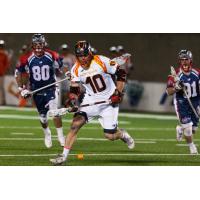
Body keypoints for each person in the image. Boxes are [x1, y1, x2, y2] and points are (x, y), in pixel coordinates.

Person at [50, 40, 135, 165]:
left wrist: (118, 92)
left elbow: (121, 73)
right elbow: (75, 88)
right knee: (75, 124)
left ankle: (122, 135)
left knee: (110, 136)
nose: (83, 58)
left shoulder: (101, 61)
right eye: (80, 56)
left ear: (89, 53)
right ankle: (63, 156)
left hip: (109, 101)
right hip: (91, 100)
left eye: (85, 55)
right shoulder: (76, 69)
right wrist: (72, 100)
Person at [15, 34, 68, 148]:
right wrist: (22, 89)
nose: (38, 47)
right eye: (36, 45)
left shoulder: (52, 54)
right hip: (36, 90)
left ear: (44, 45)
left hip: (51, 88)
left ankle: (60, 136)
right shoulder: (27, 58)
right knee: (43, 118)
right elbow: (18, 73)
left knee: (54, 111)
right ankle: (47, 134)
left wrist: (67, 73)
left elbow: (62, 66)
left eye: (40, 44)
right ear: (32, 46)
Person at [166, 49, 199, 154]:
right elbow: (168, 91)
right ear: (179, 61)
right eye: (182, 59)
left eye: (186, 59)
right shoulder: (175, 75)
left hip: (196, 102)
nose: (184, 62)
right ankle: (191, 146)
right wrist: (176, 87)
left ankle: (180, 127)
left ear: (190, 60)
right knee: (188, 129)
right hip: (182, 103)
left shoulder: (197, 73)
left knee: (193, 129)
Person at [0, 40, 11, 105]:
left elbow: (6, 64)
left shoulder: (4, 54)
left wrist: (3, 71)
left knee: (1, 88)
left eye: (1, 46)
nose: (1, 47)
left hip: (1, 74)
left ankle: (2, 102)